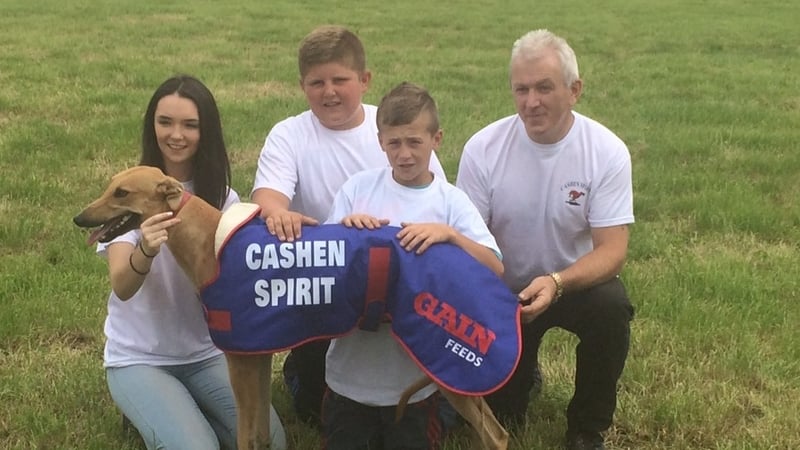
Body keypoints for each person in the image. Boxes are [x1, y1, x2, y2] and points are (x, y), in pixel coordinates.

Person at [251, 26, 447, 426]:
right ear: (302, 85)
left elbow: (437, 203)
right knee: (313, 410)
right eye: (316, 83)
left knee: (425, 410)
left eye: (340, 80)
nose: (329, 92)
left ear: (364, 80)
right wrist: (279, 213)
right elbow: (267, 200)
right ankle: (303, 369)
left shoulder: (395, 130)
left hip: (399, 282)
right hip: (324, 288)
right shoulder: (289, 134)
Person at [456, 30, 635, 450]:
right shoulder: (483, 149)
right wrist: (493, 301)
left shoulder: (606, 151)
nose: (531, 102)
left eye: (544, 88)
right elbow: (466, 245)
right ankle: (521, 371)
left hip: (570, 283)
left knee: (611, 307)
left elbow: (613, 250)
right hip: (503, 292)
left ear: (575, 90)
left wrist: (556, 283)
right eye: (521, 89)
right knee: (507, 414)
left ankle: (587, 428)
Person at [97, 75, 286, 450]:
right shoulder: (131, 190)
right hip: (141, 358)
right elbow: (122, 285)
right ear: (153, 126)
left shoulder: (223, 198)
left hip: (207, 352)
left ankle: (180, 416)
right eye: (165, 122)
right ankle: (160, 414)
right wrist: (146, 250)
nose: (176, 135)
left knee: (272, 444)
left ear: (206, 131)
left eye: (190, 124)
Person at [320, 81, 503, 450]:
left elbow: (494, 269)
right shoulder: (357, 190)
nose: (404, 154)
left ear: (437, 139)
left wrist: (451, 236)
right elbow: (323, 267)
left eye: (415, 142)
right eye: (394, 143)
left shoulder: (450, 203)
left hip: (417, 381)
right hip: (348, 377)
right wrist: (345, 233)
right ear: (380, 141)